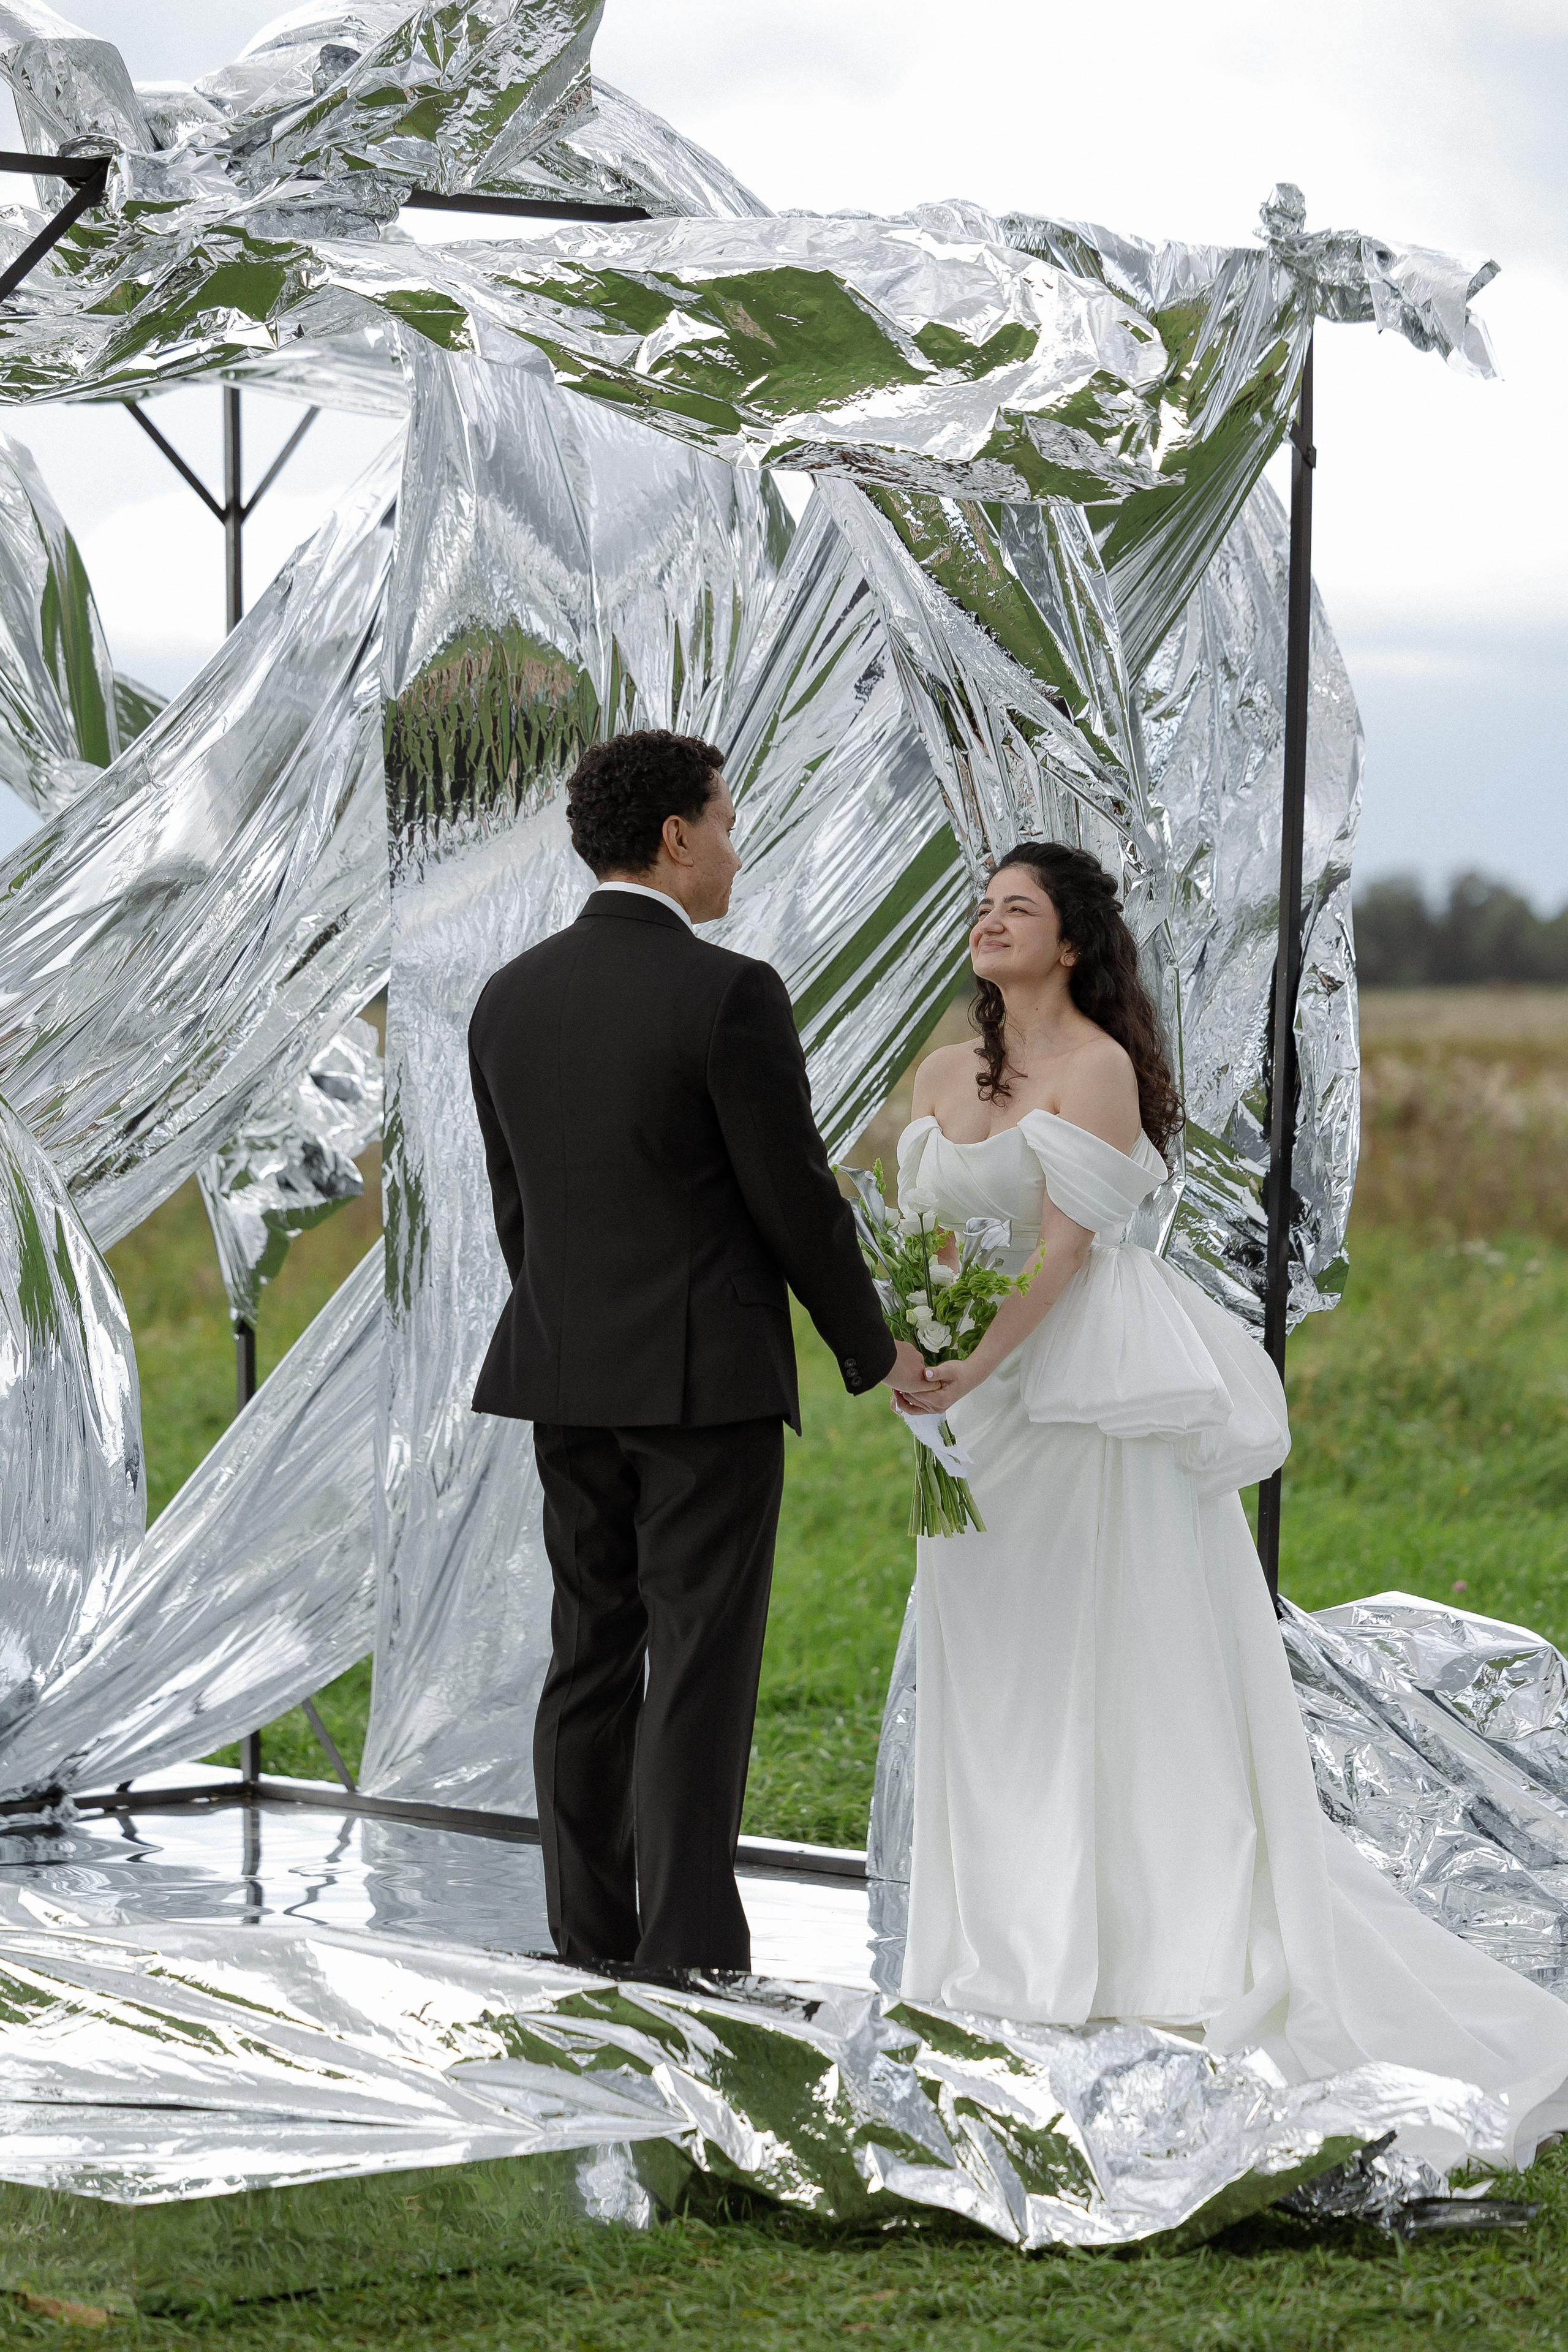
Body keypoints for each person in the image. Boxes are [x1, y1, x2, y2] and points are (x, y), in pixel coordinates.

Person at [897, 839, 1568, 2166]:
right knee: (995, 1672)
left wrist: (982, 1352)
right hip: (970, 1416)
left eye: (1014, 910)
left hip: (1080, 1403)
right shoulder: (935, 1073)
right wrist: (925, 1345)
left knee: (1105, 1665)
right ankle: (995, 1941)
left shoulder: (1091, 1069)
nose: (988, 925)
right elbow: (932, 1240)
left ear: (1071, 940)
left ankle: (1134, 1944)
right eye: (979, 908)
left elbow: (1060, 1253)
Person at [467, 729, 928, 1975]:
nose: (733, 847)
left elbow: (519, 1211)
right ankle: (686, 1951)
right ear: (675, 837)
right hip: (698, 1386)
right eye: (724, 822)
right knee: (697, 1668)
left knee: (589, 1653)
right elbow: (790, 1199)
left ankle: (587, 1935)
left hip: (563, 1371)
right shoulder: (727, 993)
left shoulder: (507, 996)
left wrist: (572, 1324)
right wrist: (869, 1343)